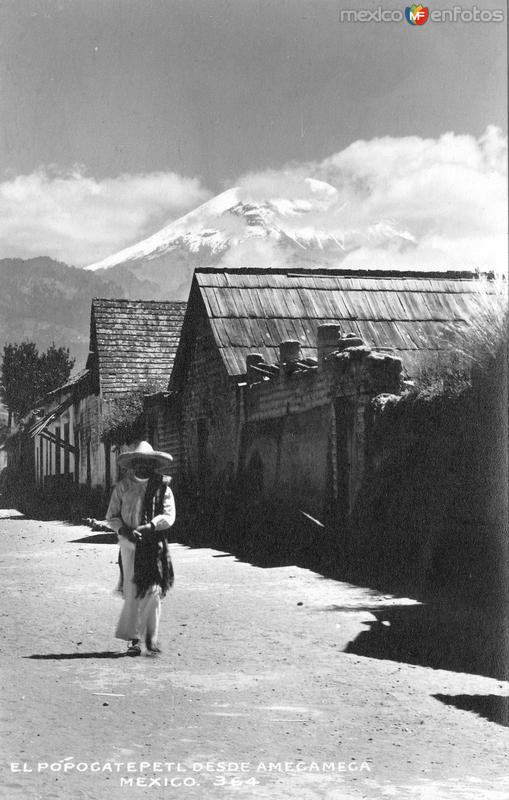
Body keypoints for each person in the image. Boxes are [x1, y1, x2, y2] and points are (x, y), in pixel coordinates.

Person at [106, 441, 175, 656]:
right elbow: (112, 516)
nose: (142, 466)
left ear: (152, 464)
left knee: (153, 591)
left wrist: (150, 526)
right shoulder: (123, 486)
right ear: (133, 464)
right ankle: (133, 640)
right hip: (129, 546)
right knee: (133, 591)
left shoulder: (163, 487)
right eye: (138, 463)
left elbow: (168, 515)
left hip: (153, 544)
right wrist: (124, 531)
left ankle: (151, 638)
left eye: (147, 463)